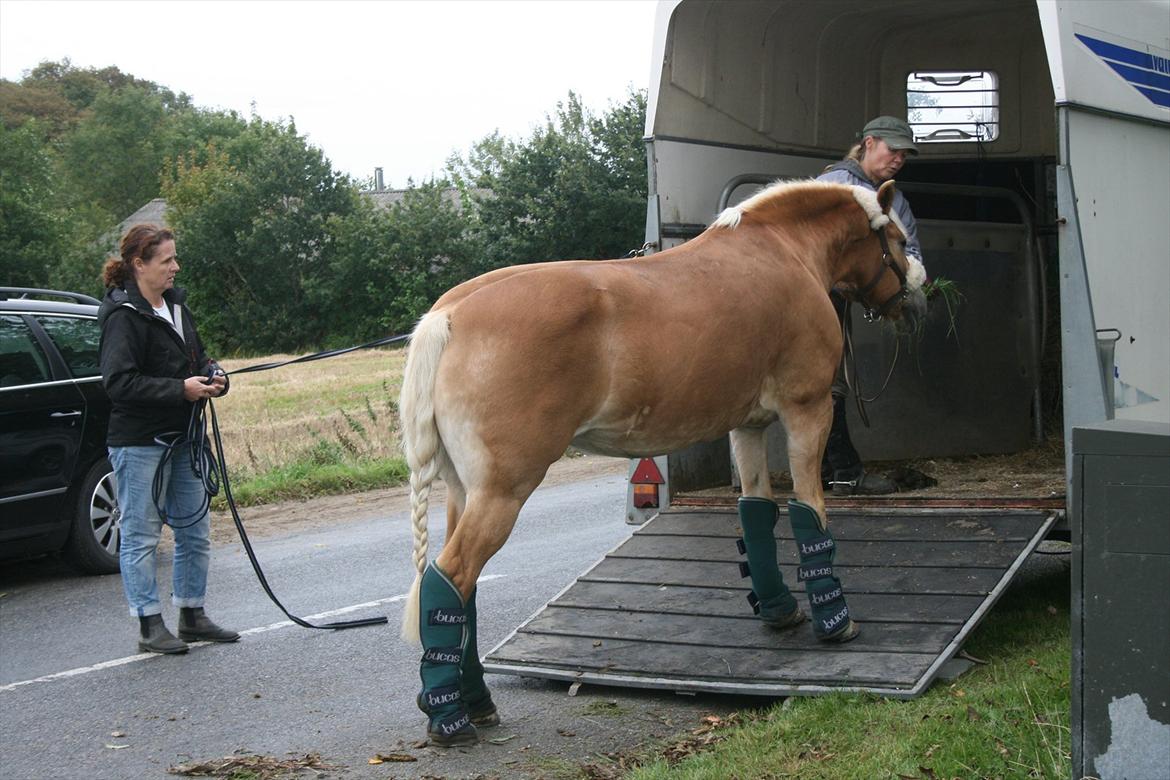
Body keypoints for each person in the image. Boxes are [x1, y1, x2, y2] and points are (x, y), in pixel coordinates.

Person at [99, 224, 239, 654]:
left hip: (186, 438)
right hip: (139, 442)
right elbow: (119, 382)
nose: (175, 267)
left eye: (175, 258)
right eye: (167, 260)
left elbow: (196, 358)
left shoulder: (177, 307)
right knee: (141, 536)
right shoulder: (123, 316)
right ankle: (148, 624)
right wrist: (180, 389)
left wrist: (215, 375)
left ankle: (191, 614)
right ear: (139, 265)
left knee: (195, 529)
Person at [815, 116, 925, 495]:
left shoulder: (898, 201)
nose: (898, 159)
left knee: (830, 380)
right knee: (827, 382)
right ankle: (843, 471)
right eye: (892, 150)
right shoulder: (831, 187)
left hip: (846, 300)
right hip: (814, 295)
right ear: (869, 143)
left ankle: (833, 471)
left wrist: (908, 286)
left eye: (904, 154)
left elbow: (910, 251)